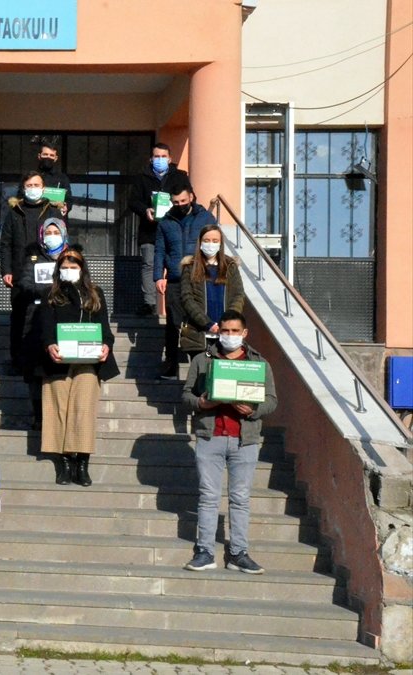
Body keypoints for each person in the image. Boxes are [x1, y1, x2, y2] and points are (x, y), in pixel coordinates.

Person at [181, 309, 277, 575]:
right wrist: (201, 402)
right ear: (217, 332)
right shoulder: (202, 359)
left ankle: (238, 553)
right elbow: (187, 394)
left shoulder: (259, 363)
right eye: (225, 331)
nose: (230, 336)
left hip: (244, 439)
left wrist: (254, 411)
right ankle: (205, 551)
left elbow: (271, 400)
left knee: (240, 498)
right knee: (209, 496)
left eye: (235, 331)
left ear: (244, 333)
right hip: (210, 436)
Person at [40, 250, 119, 487]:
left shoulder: (95, 294)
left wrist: (106, 345)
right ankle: (64, 461)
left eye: (74, 266)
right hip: (58, 360)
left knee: (83, 408)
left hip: (88, 360)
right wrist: (49, 345)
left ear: (82, 269)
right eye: (65, 266)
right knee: (58, 407)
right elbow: (45, 326)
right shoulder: (50, 294)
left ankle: (82, 462)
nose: (69, 270)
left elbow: (105, 328)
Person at [0, 172, 66, 370]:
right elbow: (5, 243)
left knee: (47, 314)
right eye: (29, 185)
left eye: (36, 184)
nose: (33, 188)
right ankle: (17, 360)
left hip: (49, 270)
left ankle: (44, 357)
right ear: (23, 188)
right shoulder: (14, 211)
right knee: (19, 316)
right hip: (21, 272)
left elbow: (61, 238)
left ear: (43, 188)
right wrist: (6, 270)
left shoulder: (52, 210)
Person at [16, 218, 76, 430]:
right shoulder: (33, 256)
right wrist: (49, 290)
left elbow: (81, 281)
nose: (52, 236)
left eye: (55, 232)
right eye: (48, 232)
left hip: (66, 317)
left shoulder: (72, 256)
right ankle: (38, 414)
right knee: (35, 369)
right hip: (36, 316)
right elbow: (23, 282)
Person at [154, 182, 216, 380]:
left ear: (191, 197)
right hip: (174, 278)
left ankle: (199, 369)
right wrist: (158, 276)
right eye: (175, 202)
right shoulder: (165, 221)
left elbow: (215, 242)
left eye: (183, 200)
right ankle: (171, 366)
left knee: (198, 322)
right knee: (173, 324)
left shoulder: (205, 217)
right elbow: (160, 251)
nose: (179, 204)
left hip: (200, 278)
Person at [129, 143, 190, 316]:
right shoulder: (142, 178)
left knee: (175, 264)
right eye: (157, 156)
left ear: (170, 159)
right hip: (150, 230)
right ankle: (149, 304)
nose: (160, 160)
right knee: (149, 264)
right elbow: (133, 201)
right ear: (151, 159)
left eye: (163, 157)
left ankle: (178, 302)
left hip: (174, 230)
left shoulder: (180, 177)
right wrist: (145, 210)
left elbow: (190, 197)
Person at [180, 225, 245, 359]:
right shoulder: (190, 266)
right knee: (200, 375)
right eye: (207, 240)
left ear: (220, 244)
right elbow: (187, 298)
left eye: (215, 241)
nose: (211, 244)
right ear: (200, 242)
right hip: (199, 334)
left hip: (226, 335)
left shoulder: (230, 266)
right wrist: (207, 323)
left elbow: (238, 295)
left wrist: (227, 322)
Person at [23, 140, 73, 216]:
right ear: (39, 156)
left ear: (55, 158)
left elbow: (68, 199)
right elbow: (20, 197)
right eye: (45, 154)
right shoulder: (29, 177)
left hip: (54, 220)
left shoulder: (62, 178)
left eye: (51, 155)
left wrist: (66, 207)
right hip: (33, 217)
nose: (48, 157)